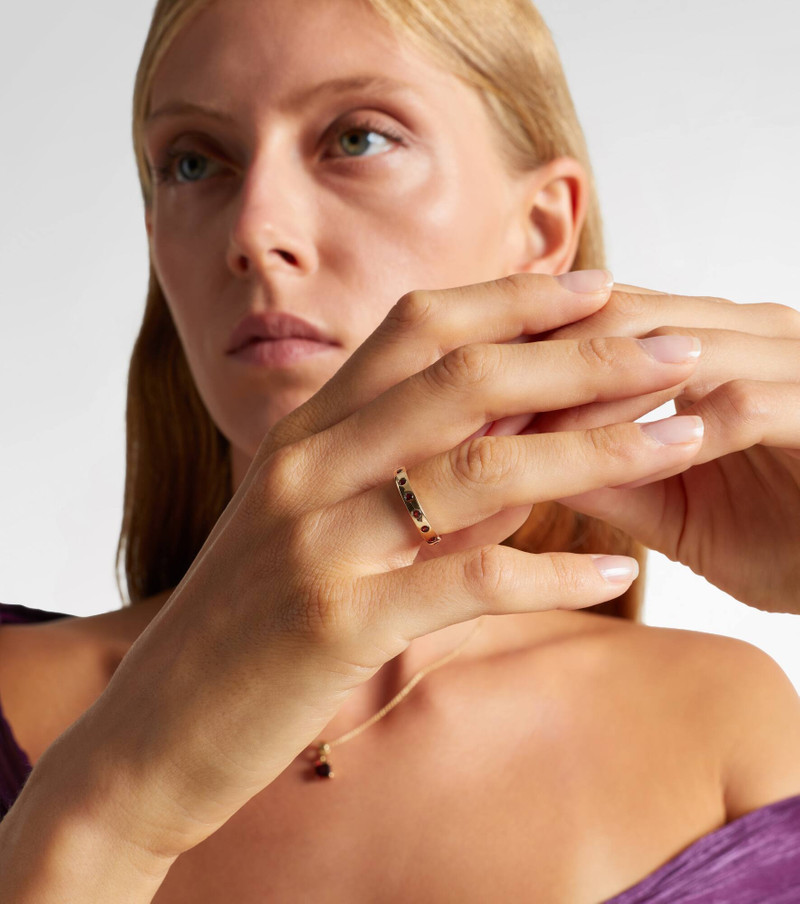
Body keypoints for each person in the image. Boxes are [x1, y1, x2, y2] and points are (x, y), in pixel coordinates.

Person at [1, 0, 799, 901]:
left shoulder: (726, 723)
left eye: (357, 140)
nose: (254, 233)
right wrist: (110, 806)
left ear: (541, 230)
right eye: (192, 162)